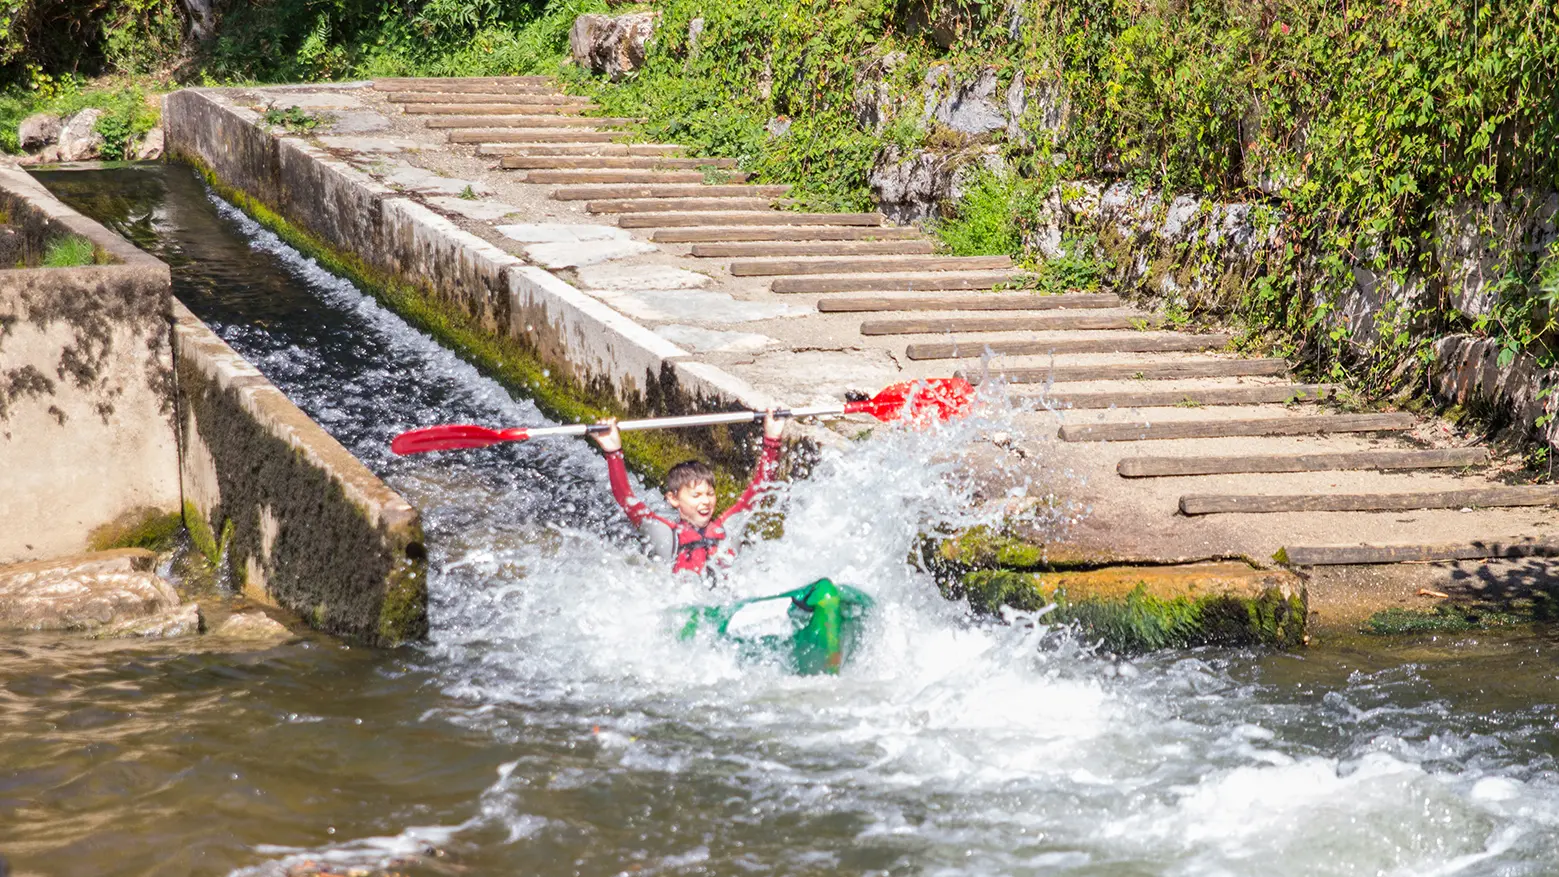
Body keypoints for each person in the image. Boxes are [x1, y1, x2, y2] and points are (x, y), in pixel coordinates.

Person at [591, 411, 786, 578]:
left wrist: (772, 439)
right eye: (696, 495)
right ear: (673, 499)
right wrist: (613, 451)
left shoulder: (728, 528)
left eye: (710, 494)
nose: (706, 501)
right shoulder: (666, 536)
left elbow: (760, 490)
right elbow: (627, 500)